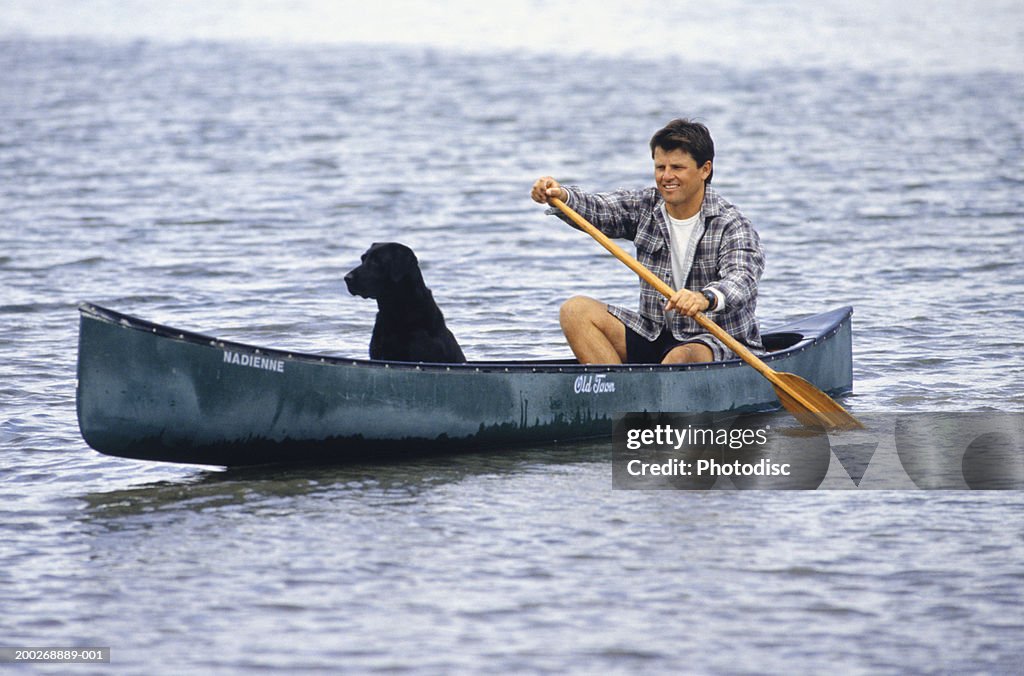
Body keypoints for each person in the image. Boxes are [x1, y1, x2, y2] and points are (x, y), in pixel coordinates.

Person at [531, 118, 764, 365]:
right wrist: (561, 196)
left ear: (705, 169)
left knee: (680, 357)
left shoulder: (732, 224)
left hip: (717, 341)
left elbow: (742, 280)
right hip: (654, 334)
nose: (666, 176)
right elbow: (599, 209)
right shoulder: (645, 207)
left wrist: (704, 298)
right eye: (660, 167)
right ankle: (618, 395)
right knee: (574, 311)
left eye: (677, 167)